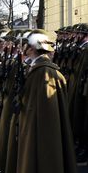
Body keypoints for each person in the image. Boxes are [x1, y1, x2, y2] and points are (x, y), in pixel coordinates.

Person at [16, 29, 76, 173]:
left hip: (40, 136)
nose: (22, 48)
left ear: (32, 47)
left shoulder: (44, 73)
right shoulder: (38, 69)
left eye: (25, 45)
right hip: (33, 129)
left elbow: (49, 120)